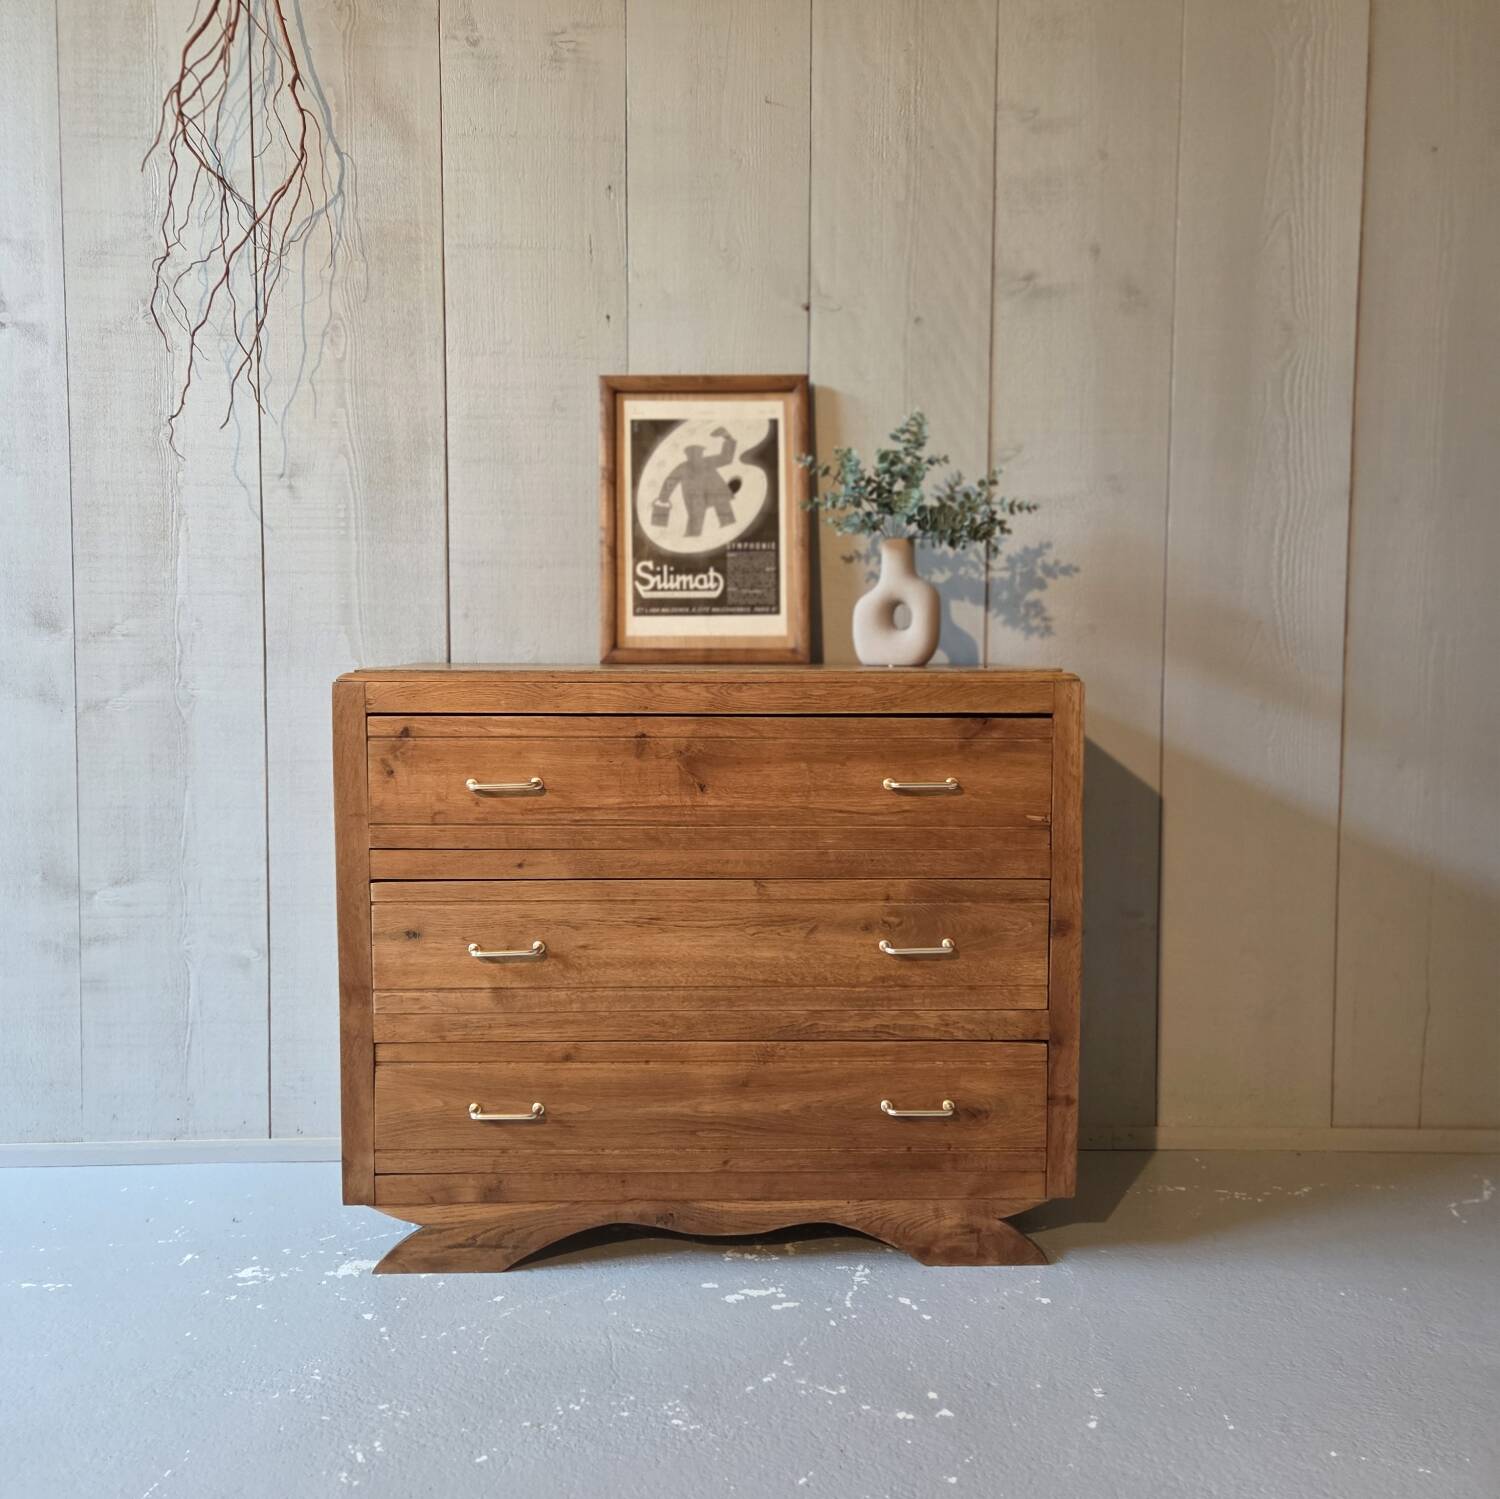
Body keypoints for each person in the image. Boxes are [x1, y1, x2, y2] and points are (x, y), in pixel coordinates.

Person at [650, 427, 739, 537]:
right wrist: (728, 438)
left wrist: (663, 498)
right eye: (694, 453)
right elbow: (726, 458)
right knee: (698, 526)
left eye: (697, 452)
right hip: (704, 496)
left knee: (724, 521)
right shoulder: (702, 463)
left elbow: (670, 481)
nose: (695, 456)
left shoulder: (690, 465)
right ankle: (693, 540)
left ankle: (722, 536)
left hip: (706, 495)